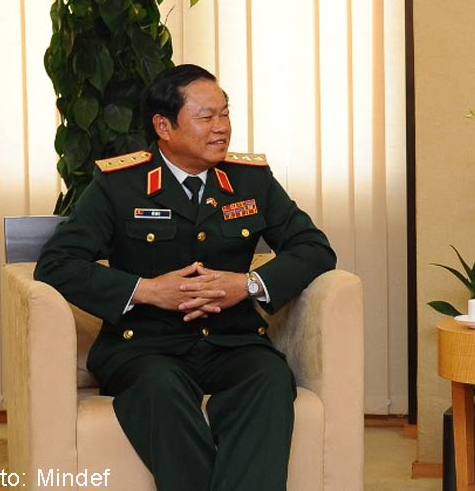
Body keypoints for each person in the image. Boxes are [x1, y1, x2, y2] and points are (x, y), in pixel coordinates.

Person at [35, 64, 337, 491]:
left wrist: (247, 285)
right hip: (144, 347)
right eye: (206, 117)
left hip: (232, 342)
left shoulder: (250, 181)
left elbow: (314, 247)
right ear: (164, 126)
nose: (222, 128)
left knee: (270, 379)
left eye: (225, 114)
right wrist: (146, 290)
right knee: (160, 387)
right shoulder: (120, 185)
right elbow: (57, 263)